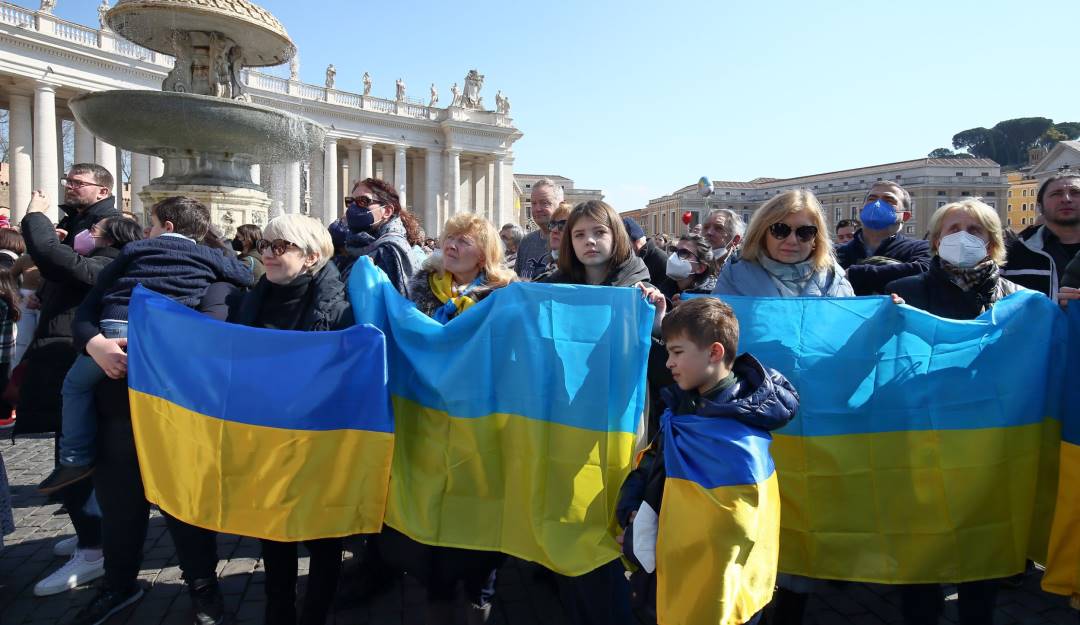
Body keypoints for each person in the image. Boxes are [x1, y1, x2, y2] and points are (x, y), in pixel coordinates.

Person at [37, 197, 253, 494]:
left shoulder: (135, 249)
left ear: (168, 226)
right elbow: (244, 274)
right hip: (163, 337)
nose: (147, 230)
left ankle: (75, 457)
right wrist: (221, 254)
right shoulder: (208, 255)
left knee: (75, 386)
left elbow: (105, 280)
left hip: (116, 328)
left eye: (151, 224)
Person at [616, 297, 798, 625]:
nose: (669, 363)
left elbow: (732, 528)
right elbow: (656, 464)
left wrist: (652, 534)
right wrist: (633, 512)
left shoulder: (739, 435)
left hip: (711, 582)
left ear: (714, 352)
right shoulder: (683, 405)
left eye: (677, 352)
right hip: (667, 570)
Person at [884, 199, 1020, 624]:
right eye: (953, 228)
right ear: (936, 240)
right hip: (920, 439)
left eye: (975, 230)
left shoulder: (1019, 300)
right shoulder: (904, 292)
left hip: (988, 444)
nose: (963, 237)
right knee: (921, 548)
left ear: (993, 242)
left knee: (983, 544)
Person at [540, 199, 662, 625]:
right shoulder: (553, 285)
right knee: (571, 503)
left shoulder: (640, 287)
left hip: (618, 416)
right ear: (568, 242)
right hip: (567, 414)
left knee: (608, 503)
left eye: (599, 232)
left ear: (617, 237)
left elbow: (658, 358)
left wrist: (657, 320)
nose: (589, 241)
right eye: (579, 234)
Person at [227, 214, 352, 625]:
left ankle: (315, 613)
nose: (267, 253)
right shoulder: (249, 299)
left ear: (311, 255)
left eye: (279, 247)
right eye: (265, 244)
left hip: (318, 441)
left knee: (323, 538)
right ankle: (278, 611)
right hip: (265, 438)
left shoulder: (342, 309)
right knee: (272, 533)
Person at [400, 212, 515, 623]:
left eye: (464, 240)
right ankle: (439, 591)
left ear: (483, 254)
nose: (451, 245)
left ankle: (480, 595)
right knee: (435, 505)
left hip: (482, 421)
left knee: (481, 506)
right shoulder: (419, 289)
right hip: (429, 418)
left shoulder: (506, 295)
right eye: (449, 237)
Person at [16, 181, 125, 599]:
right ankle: (92, 535)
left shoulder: (110, 254)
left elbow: (60, 263)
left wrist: (36, 218)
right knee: (74, 453)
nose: (69, 186)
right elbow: (57, 271)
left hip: (76, 356)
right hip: (64, 351)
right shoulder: (91, 241)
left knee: (77, 458)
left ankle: (94, 548)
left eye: (78, 182)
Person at [713, 190, 853, 298]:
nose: (792, 240)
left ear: (816, 239)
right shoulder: (734, 277)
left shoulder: (836, 282)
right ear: (762, 233)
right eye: (780, 229)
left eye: (805, 232)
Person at [835, 181, 930, 296]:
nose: (877, 204)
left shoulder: (919, 248)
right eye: (872, 199)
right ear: (861, 210)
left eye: (889, 200)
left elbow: (924, 272)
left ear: (905, 216)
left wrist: (855, 274)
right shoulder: (837, 252)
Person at [1004, 172, 1080, 307]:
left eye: (1075, 193)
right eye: (1056, 194)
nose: (1066, 199)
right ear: (1040, 206)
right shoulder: (1011, 254)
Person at [339, 177, 421, 296]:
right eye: (350, 201)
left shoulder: (389, 251)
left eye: (363, 201)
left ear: (387, 211)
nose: (353, 207)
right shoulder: (352, 245)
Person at [515, 178, 563, 279]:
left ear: (561, 206)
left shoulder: (571, 243)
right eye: (533, 203)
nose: (537, 209)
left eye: (544, 203)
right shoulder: (526, 241)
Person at [658, 233, 717, 302]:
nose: (674, 256)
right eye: (674, 250)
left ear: (700, 268)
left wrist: (688, 307)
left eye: (684, 252)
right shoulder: (665, 287)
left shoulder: (711, 296)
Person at [624, 216, 668, 285]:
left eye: (624, 243)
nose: (623, 248)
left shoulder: (661, 259)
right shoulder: (630, 257)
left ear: (636, 243)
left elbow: (668, 289)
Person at [533, 202, 570, 279]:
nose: (554, 230)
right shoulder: (550, 267)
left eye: (563, 225)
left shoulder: (581, 274)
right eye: (553, 224)